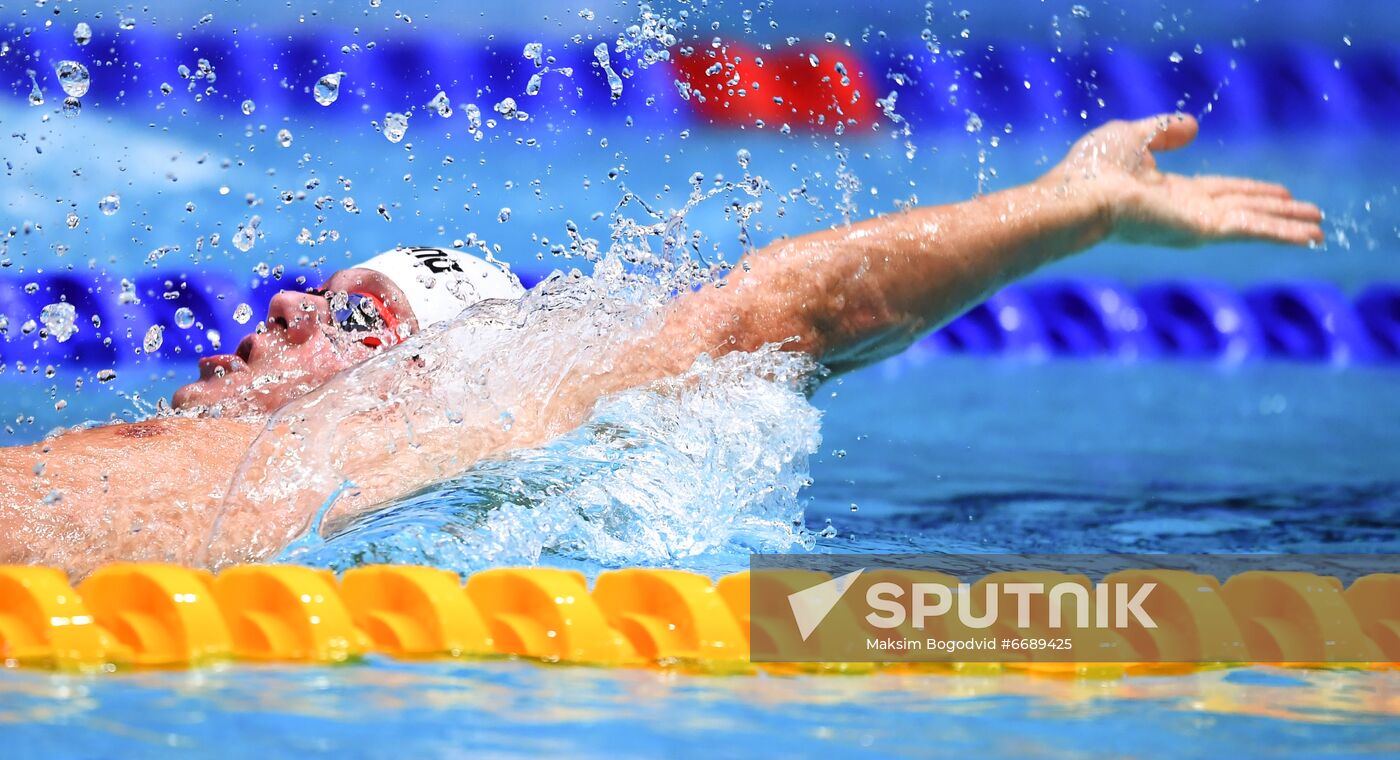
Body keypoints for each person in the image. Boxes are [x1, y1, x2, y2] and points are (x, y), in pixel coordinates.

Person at [0, 114, 1324, 576]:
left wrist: (1071, 205)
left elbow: (776, 312)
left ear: (423, 375)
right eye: (316, 295)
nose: (283, 309)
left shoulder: (405, 437)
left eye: (361, 317)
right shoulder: (183, 452)